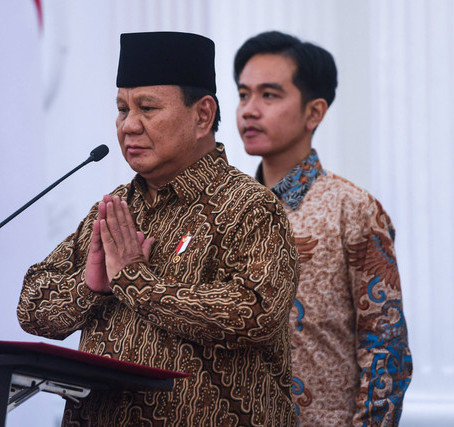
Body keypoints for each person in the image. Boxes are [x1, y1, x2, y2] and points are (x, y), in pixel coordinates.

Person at [18, 31, 299, 426]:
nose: (129, 125)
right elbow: (31, 308)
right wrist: (89, 287)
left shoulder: (251, 208)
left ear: (202, 115)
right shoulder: (116, 208)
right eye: (121, 109)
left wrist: (136, 282)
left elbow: (255, 315)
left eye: (147, 108)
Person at [233, 30, 413, 426]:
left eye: (269, 95)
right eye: (243, 94)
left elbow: (386, 351)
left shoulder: (352, 209)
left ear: (314, 112)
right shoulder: (226, 210)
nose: (249, 109)